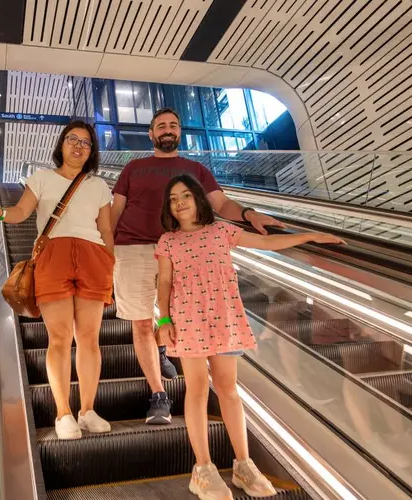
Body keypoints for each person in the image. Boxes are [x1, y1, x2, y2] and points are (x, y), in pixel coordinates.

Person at [156, 174, 345, 499]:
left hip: (224, 318)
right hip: (188, 320)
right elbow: (164, 283)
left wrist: (311, 235)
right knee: (197, 390)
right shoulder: (167, 241)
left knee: (229, 390)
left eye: (185, 195)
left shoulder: (222, 231)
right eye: (173, 199)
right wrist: (163, 319)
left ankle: (244, 465)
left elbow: (267, 242)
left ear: (199, 198)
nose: (180, 203)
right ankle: (203, 469)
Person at [111, 107, 285, 425]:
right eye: (160, 125)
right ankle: (158, 394)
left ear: (180, 133)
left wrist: (248, 214)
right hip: (133, 248)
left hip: (186, 250)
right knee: (141, 324)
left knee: (181, 316)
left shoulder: (195, 169)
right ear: (151, 134)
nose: (167, 129)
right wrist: (106, 249)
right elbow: (115, 210)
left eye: (173, 125)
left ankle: (165, 353)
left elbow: (220, 205)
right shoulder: (133, 168)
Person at [0, 121, 115, 440]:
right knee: (60, 337)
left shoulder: (99, 186)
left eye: (86, 142)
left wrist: (110, 260)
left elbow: (105, 229)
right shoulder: (42, 178)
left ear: (92, 151)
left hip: (93, 257)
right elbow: (21, 212)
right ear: (61, 144)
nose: (78, 146)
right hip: (53, 256)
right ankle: (63, 412)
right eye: (72, 139)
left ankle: (87, 410)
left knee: (89, 338)